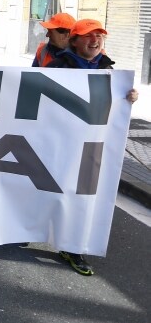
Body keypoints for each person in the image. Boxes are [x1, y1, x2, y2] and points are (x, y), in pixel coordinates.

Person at [46, 18, 138, 276]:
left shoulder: (109, 69)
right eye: (88, 35)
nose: (95, 40)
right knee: (57, 190)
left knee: (84, 194)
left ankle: (73, 247)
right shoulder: (58, 66)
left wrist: (128, 97)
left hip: (92, 145)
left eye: (99, 35)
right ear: (74, 41)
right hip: (62, 143)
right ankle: (42, 227)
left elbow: (114, 104)